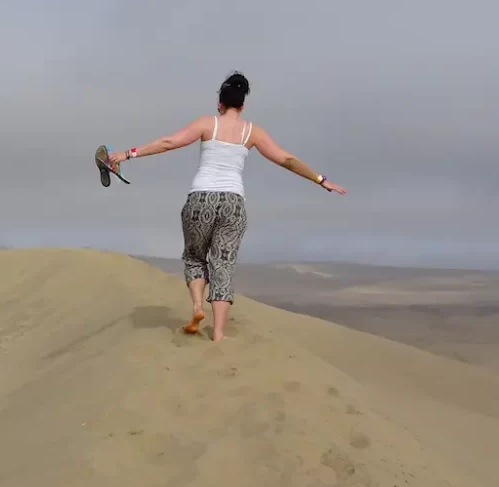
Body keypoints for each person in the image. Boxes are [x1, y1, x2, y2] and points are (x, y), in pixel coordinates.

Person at [108, 72, 346, 341]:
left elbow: (169, 143)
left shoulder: (206, 124)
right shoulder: (252, 132)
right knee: (223, 264)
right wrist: (321, 180)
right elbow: (286, 159)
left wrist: (126, 155)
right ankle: (218, 334)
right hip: (233, 203)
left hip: (201, 199)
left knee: (195, 257)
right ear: (242, 105)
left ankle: (197, 308)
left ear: (219, 103)